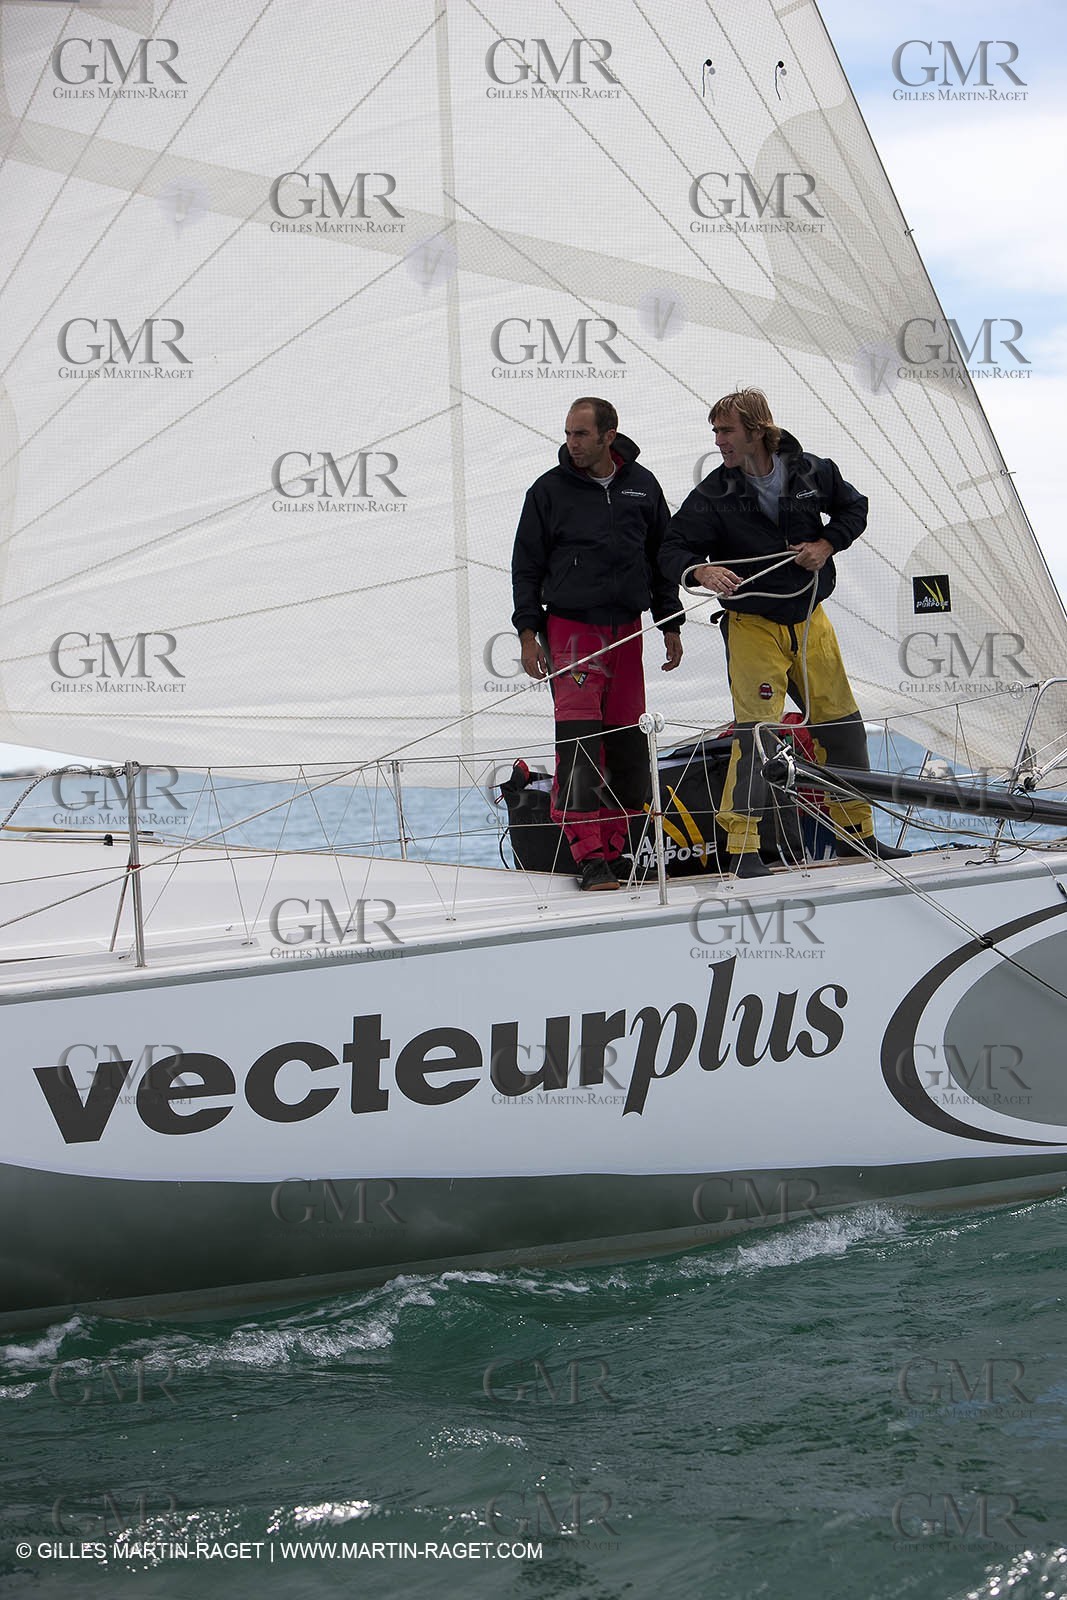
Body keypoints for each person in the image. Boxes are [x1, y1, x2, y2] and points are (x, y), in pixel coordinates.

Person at [660, 387, 909, 878]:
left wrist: (827, 543)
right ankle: (743, 849)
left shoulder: (814, 471)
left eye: (726, 430)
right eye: (715, 431)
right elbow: (671, 548)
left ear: (756, 430)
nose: (719, 440)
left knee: (843, 732)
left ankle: (856, 839)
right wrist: (699, 572)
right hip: (752, 625)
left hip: (810, 618)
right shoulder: (713, 492)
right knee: (758, 737)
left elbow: (854, 509)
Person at [511, 398, 683, 891]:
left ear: (609, 435)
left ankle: (619, 851)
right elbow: (526, 568)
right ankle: (589, 858)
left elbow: (660, 557)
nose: (572, 444)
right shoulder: (547, 491)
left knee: (628, 743)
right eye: (568, 434)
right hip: (572, 631)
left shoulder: (642, 485)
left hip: (628, 629)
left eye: (581, 435)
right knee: (582, 744)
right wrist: (528, 633)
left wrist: (669, 623)